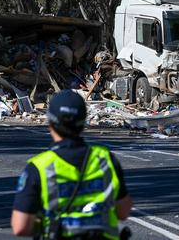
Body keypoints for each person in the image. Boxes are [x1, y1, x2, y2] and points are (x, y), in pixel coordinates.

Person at [11, 90, 133, 239]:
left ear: (50, 122)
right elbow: (123, 211)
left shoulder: (39, 167)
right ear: (84, 123)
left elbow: (20, 227)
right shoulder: (105, 159)